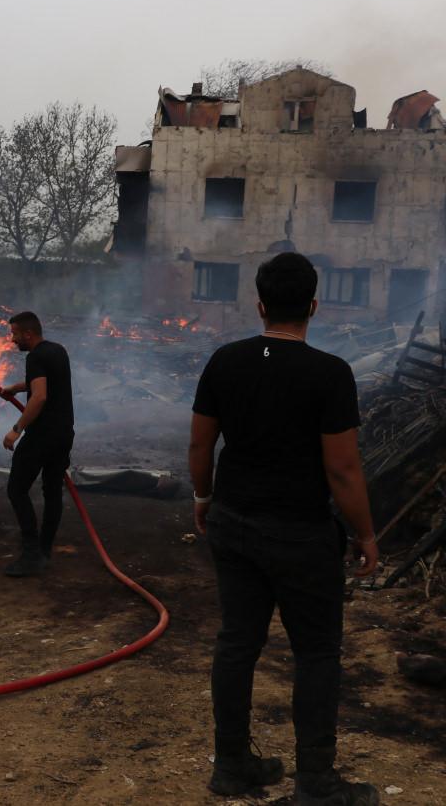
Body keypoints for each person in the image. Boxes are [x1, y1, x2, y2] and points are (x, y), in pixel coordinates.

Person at [189, 252, 380, 804]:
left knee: (237, 643)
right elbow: (342, 468)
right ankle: (316, 783)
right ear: (314, 306)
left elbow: (202, 444)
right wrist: (366, 535)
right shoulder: (330, 374)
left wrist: (204, 498)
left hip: (233, 522)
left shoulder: (225, 361)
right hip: (300, 534)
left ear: (260, 305)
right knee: (316, 654)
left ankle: (231, 767)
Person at [0, 311, 74, 578]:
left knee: (16, 489)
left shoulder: (35, 357)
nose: (12, 339)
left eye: (14, 334)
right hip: (64, 433)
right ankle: (44, 550)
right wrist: (18, 387)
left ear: (28, 334)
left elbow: (40, 397)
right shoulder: (57, 351)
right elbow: (46, 385)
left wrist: (16, 430)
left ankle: (31, 555)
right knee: (52, 491)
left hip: (42, 436)